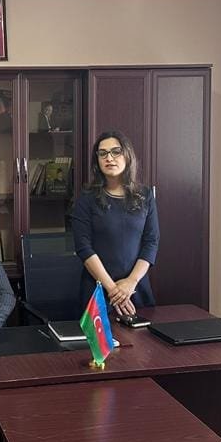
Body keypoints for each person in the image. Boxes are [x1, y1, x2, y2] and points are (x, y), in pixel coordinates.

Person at [70, 131, 159, 317]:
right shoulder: (86, 199)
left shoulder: (145, 196)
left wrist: (131, 282)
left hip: (136, 289)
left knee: (143, 335)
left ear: (127, 155)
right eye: (102, 153)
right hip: (98, 289)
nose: (109, 158)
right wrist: (113, 290)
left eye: (116, 151)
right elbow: (83, 247)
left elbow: (151, 242)